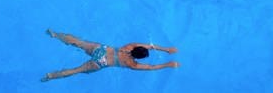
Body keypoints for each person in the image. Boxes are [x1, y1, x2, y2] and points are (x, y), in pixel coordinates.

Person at [41, 29, 179, 82]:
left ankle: (55, 35)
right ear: (138, 57)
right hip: (101, 62)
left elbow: (150, 46)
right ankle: (51, 76)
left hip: (100, 50)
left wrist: (166, 49)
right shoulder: (132, 64)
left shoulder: (129, 46)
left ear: (138, 48)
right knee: (75, 71)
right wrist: (168, 64)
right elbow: (151, 67)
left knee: (78, 42)